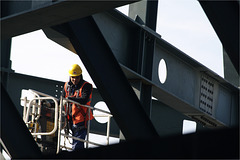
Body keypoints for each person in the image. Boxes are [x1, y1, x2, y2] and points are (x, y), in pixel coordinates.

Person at [62, 64, 94, 151]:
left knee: (77, 146)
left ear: (80, 76)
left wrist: (69, 99)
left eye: (77, 77)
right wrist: (50, 104)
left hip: (81, 120)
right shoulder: (67, 86)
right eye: (73, 77)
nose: (74, 80)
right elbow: (62, 100)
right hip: (69, 120)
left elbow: (84, 99)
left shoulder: (86, 86)